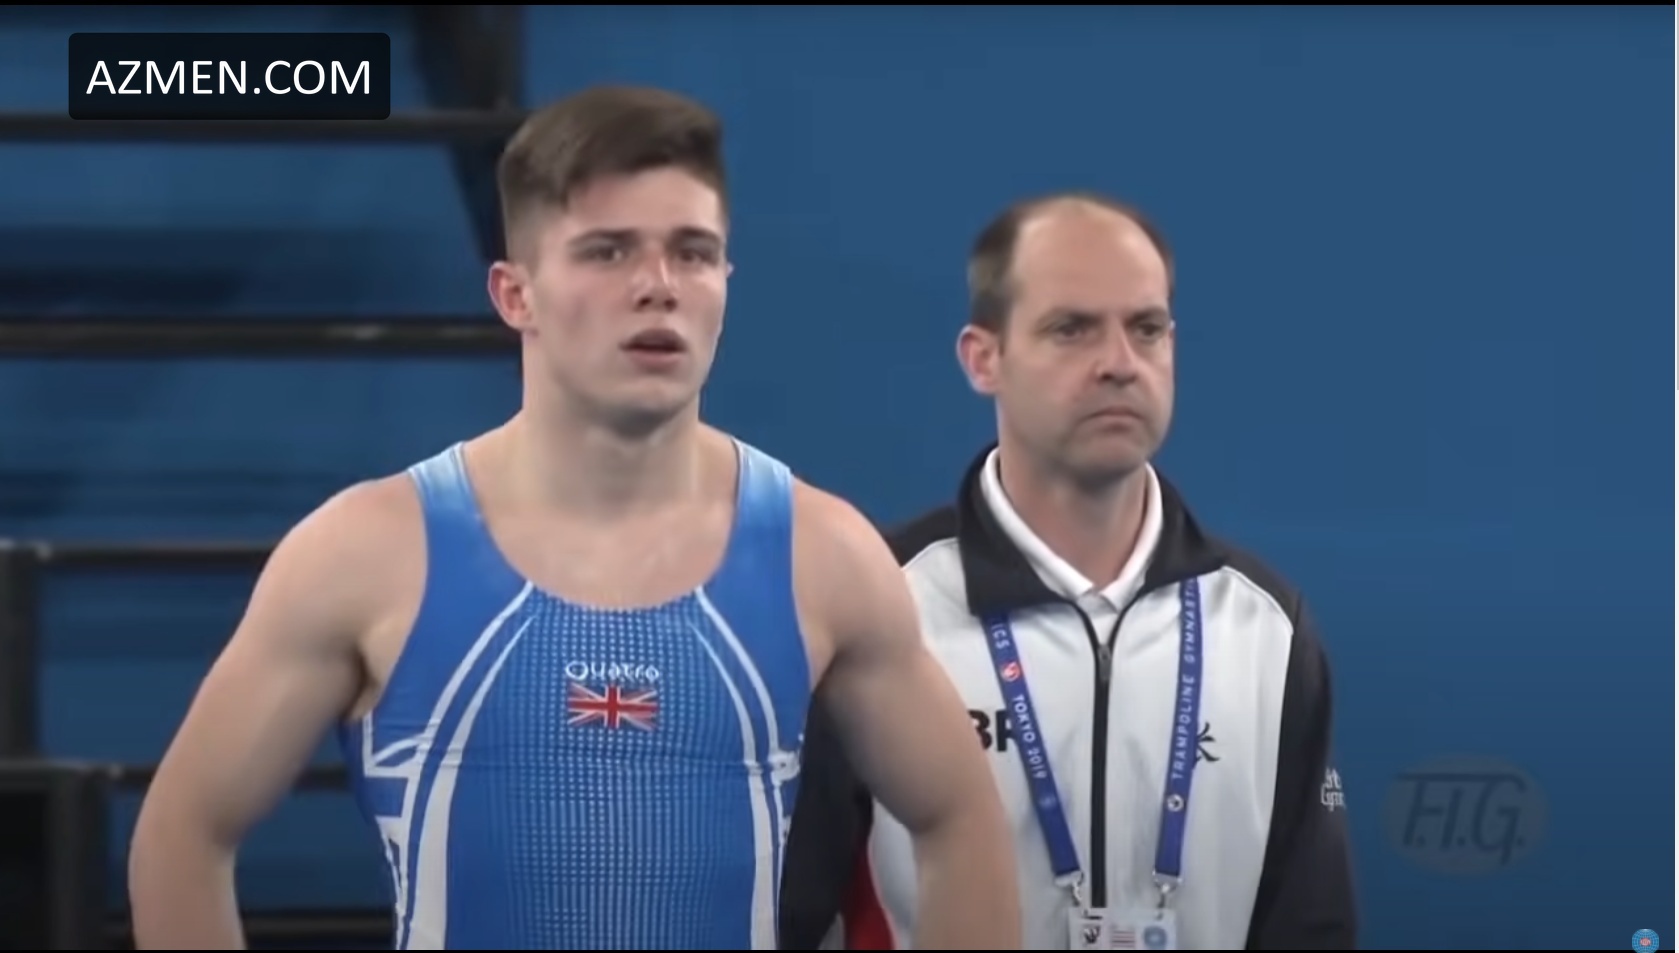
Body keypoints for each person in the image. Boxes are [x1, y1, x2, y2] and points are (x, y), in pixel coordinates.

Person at [127, 85, 1021, 951]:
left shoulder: (820, 555)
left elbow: (960, 817)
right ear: (514, 294)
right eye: (607, 252)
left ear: (725, 280)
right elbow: (183, 833)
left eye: (693, 253)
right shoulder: (367, 552)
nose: (658, 286)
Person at [779, 193, 1358, 950]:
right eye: (1071, 328)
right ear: (983, 358)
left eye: (1145, 329)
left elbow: (1311, 925)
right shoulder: (880, 598)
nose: (1118, 363)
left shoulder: (1262, 624)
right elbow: (781, 913)